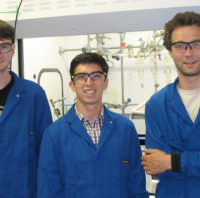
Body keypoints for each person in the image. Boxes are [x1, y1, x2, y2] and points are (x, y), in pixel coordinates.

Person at [37, 52, 149, 198]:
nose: (89, 82)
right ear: (72, 85)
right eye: (81, 77)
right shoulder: (54, 134)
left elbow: (137, 186)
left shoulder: (125, 129)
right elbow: (48, 191)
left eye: (96, 76)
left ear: (105, 82)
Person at [141, 11, 200, 198]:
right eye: (181, 46)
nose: (189, 53)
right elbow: (155, 168)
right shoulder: (156, 105)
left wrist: (171, 161)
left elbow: (164, 163)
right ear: (170, 51)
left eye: (196, 44)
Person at [0, 19, 52, 198]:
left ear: (13, 50)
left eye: (4, 46)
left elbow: (46, 154)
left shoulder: (33, 95)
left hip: (22, 191)